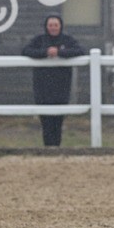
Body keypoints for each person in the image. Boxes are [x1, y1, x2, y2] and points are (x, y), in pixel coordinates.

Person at [22, 15, 85, 146]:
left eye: (55, 25)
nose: (53, 28)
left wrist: (59, 53)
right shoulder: (39, 40)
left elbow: (79, 51)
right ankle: (47, 146)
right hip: (42, 86)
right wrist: (45, 52)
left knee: (58, 119)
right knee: (45, 119)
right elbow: (26, 51)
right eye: (50, 25)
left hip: (61, 86)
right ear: (46, 26)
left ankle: (57, 146)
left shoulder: (67, 40)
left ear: (60, 26)